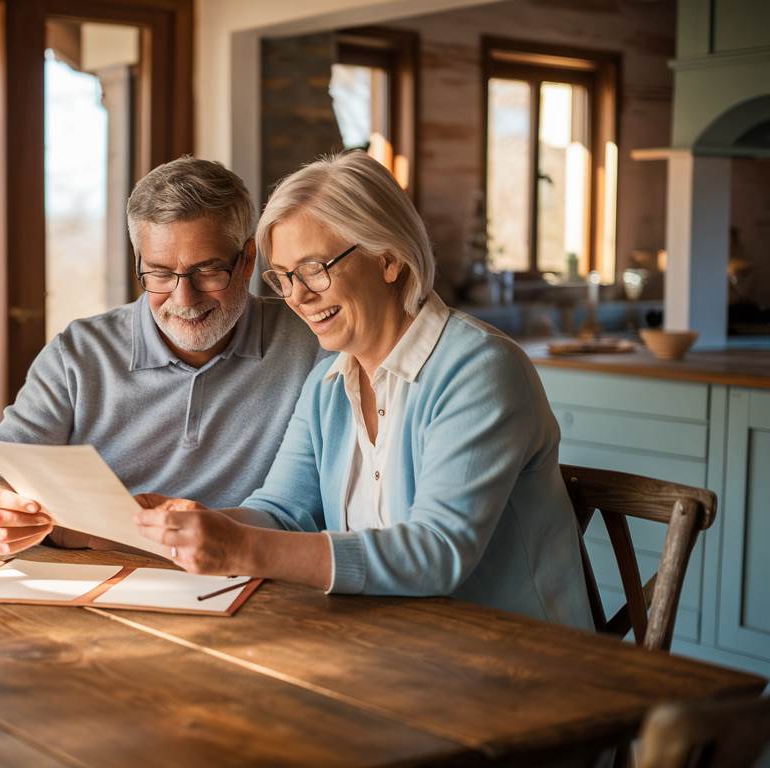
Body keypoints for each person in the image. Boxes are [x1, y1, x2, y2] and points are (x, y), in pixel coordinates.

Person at [134, 151, 593, 629]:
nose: (298, 296)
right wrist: (195, 526)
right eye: (285, 277)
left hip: (522, 664)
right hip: (395, 649)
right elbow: (283, 513)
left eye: (314, 269)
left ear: (389, 259)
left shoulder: (479, 369)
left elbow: (437, 552)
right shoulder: (327, 385)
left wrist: (244, 548)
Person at [0, 157, 322, 556]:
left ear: (246, 261)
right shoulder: (81, 352)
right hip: (100, 580)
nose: (183, 298)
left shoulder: (311, 341)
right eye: (159, 273)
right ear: (138, 263)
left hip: (247, 577)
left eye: (207, 272)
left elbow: (308, 510)